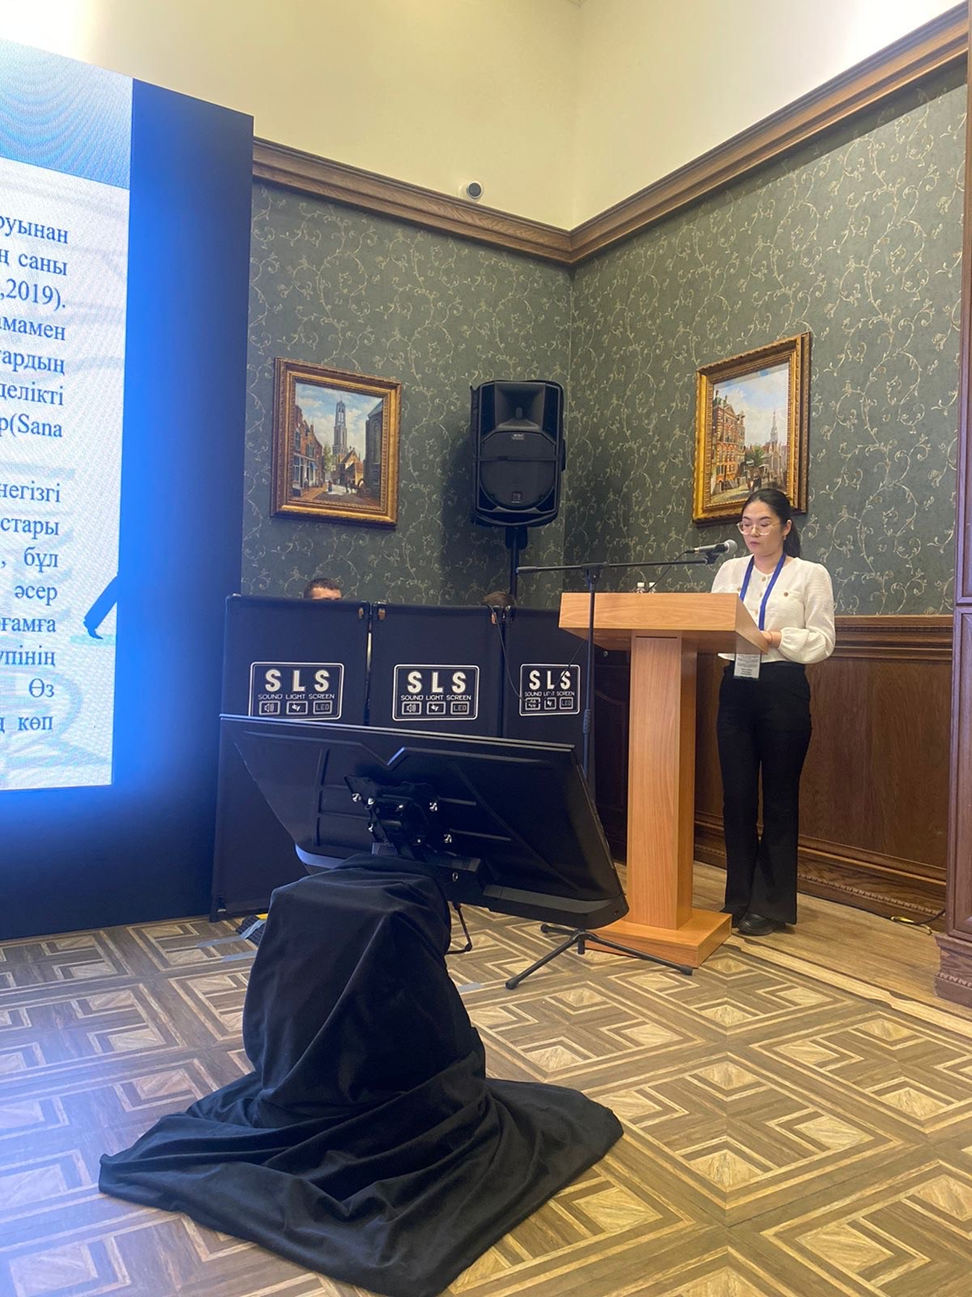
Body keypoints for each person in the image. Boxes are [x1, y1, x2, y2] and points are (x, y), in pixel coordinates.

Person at [710, 488, 835, 936]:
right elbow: (713, 625)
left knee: (779, 798)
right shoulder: (729, 571)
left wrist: (778, 638)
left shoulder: (810, 574)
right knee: (737, 796)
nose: (753, 532)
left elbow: (823, 640)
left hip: (783, 687)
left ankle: (772, 904)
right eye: (746, 524)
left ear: (785, 527)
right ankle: (739, 898)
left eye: (763, 524)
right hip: (736, 686)